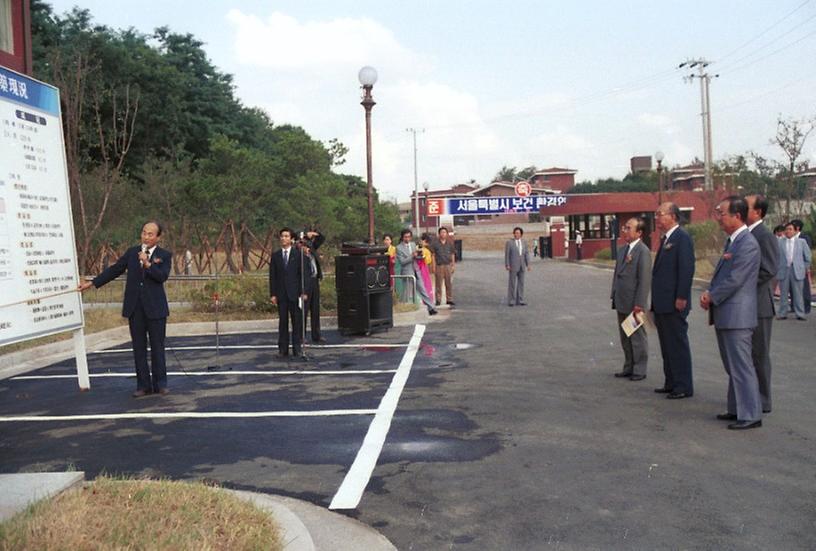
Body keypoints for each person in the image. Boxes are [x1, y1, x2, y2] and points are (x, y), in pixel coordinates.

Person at [78, 221, 172, 397]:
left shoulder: (164, 255)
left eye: (150, 234)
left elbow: (162, 276)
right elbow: (114, 270)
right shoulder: (132, 253)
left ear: (158, 237)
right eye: (144, 232)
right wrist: (92, 283)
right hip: (135, 308)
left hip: (156, 309)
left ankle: (161, 384)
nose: (146, 236)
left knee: (157, 348)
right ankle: (143, 385)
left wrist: (148, 264)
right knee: (138, 347)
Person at [700, 196, 762, 430]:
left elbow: (735, 279)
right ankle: (737, 408)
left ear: (737, 216)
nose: (718, 218)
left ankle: (750, 414)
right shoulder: (733, 241)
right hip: (727, 314)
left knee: (741, 366)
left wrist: (712, 296)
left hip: (738, 316)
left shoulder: (747, 243)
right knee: (733, 366)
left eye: (722, 213)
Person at [651, 202, 695, 399]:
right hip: (662, 302)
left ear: (673, 216)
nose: (657, 218)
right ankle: (671, 381)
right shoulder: (666, 238)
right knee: (667, 346)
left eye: (660, 214)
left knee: (677, 345)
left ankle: (683, 385)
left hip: (674, 302)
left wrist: (681, 296)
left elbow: (686, 269)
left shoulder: (681, 238)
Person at [745, 195, 779, 413]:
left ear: (757, 212)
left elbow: (769, 269)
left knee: (759, 353)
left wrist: (741, 283)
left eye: (745, 206)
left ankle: (763, 399)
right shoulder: (746, 234)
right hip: (746, 304)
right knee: (747, 354)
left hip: (760, 304)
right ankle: (750, 395)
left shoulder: (764, 235)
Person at [611, 217, 652, 381]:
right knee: (625, 336)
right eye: (624, 228)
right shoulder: (623, 250)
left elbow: (644, 279)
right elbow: (617, 275)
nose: (625, 231)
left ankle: (640, 369)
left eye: (629, 228)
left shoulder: (643, 251)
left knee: (637, 337)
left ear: (639, 232)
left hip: (635, 303)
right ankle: (628, 366)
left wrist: (640, 304)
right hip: (621, 300)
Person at [269, 227, 307, 358]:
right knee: (283, 322)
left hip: (295, 294)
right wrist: (273, 294)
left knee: (296, 322)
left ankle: (297, 348)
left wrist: (303, 291)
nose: (283, 238)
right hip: (281, 294)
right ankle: (283, 349)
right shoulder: (276, 256)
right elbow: (272, 276)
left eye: (286, 236)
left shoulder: (298, 255)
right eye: (282, 236)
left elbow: (303, 275)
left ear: (291, 239)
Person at [396, 229, 437, 315]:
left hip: (416, 270)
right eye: (405, 237)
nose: (407, 239)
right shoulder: (399, 248)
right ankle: (402, 308)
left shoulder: (413, 244)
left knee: (423, 290)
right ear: (402, 237)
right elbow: (402, 262)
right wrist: (412, 256)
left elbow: (416, 258)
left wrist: (420, 256)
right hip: (407, 272)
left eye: (409, 237)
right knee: (407, 293)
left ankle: (431, 307)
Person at [776, 222, 812, 320]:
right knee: (783, 293)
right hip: (784, 269)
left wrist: (804, 268)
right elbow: (776, 257)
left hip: (797, 270)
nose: (788, 231)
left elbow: (808, 257)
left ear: (795, 230)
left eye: (790, 229)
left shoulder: (801, 242)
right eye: (786, 229)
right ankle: (782, 313)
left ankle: (800, 313)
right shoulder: (779, 242)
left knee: (798, 293)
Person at [790, 219, 812, 314]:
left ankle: (806, 307)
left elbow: (807, 254)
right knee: (792, 288)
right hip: (791, 268)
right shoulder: (790, 239)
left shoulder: (805, 238)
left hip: (801, 267)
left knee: (804, 287)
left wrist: (806, 267)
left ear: (797, 228)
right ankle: (794, 307)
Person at [505, 227, 531, 306]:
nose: (517, 234)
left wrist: (528, 264)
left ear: (521, 234)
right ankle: (511, 301)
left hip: (522, 265)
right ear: (514, 234)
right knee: (512, 283)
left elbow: (526, 254)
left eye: (519, 233)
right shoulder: (509, 243)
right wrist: (507, 264)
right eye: (516, 233)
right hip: (513, 266)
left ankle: (520, 300)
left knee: (521, 283)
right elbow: (507, 255)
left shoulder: (524, 242)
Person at [431, 226, 456, 307]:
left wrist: (453, 265)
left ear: (447, 234)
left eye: (445, 232)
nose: (443, 234)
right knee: (438, 284)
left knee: (448, 283)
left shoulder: (450, 243)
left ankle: (449, 299)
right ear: (439, 234)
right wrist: (433, 267)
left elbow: (452, 254)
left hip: (448, 265)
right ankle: (438, 300)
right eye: (441, 232)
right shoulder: (435, 244)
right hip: (439, 265)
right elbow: (433, 255)